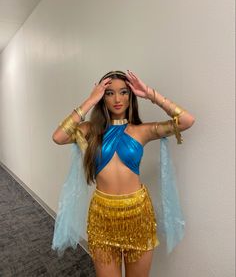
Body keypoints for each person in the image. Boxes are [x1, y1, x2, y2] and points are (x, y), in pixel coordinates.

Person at [51, 70, 195, 277]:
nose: (117, 99)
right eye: (109, 93)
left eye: (124, 92)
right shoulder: (90, 130)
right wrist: (90, 100)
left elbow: (186, 121)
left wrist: (150, 94)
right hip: (102, 217)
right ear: (102, 97)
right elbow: (59, 137)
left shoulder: (142, 131)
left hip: (138, 215)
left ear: (131, 96)